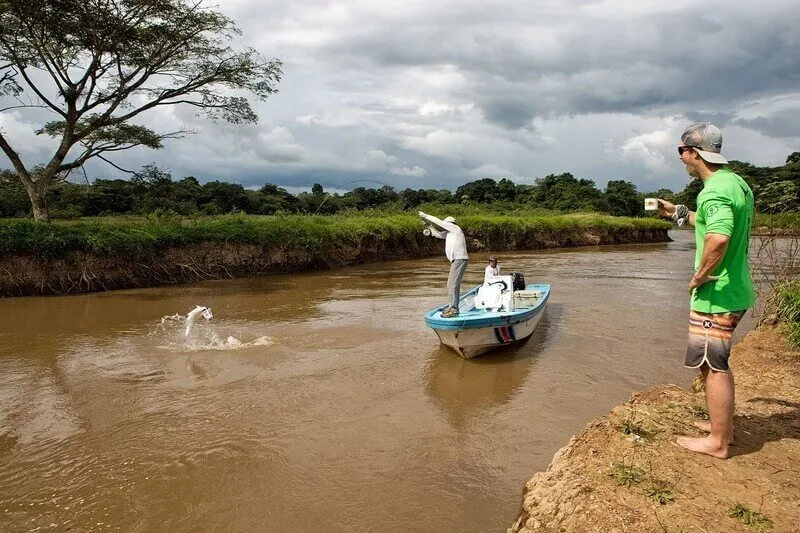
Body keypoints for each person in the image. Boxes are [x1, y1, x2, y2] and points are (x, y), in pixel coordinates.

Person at [657, 122, 756, 459]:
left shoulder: (713, 189)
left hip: (718, 292)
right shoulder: (735, 183)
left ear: (695, 152)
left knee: (713, 366)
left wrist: (699, 276)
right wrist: (677, 213)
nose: (681, 158)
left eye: (681, 151)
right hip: (735, 287)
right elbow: (714, 222)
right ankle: (721, 427)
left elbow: (718, 237)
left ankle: (717, 442)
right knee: (711, 362)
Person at [419, 211, 469, 318]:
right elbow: (437, 234)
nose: (446, 226)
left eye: (447, 225)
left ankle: (454, 310)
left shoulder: (456, 229)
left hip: (459, 259)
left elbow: (440, 222)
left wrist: (426, 216)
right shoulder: (450, 233)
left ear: (450, 224)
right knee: (453, 285)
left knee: (451, 284)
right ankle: (453, 307)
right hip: (457, 260)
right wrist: (429, 226)